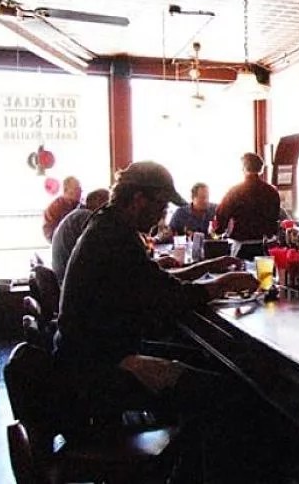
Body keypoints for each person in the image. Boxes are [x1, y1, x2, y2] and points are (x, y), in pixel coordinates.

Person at [54, 161, 258, 434]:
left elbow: (154, 282)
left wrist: (208, 266)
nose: (162, 214)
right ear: (139, 200)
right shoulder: (115, 237)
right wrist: (224, 283)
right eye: (161, 205)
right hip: (100, 370)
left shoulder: (107, 224)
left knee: (203, 360)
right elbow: (169, 298)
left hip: (90, 356)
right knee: (226, 391)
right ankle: (188, 455)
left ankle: (187, 445)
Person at [215, 153, 280, 260]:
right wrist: (270, 232)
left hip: (240, 246)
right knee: (261, 270)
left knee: (240, 270)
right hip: (262, 245)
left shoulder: (235, 191)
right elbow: (275, 217)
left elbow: (222, 213)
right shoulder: (271, 191)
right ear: (261, 169)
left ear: (244, 168)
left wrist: (219, 230)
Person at [50, 188, 110, 285]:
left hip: (64, 279)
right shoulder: (85, 217)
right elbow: (99, 250)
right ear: (100, 204)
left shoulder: (76, 214)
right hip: (71, 283)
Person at [42, 176, 82, 242]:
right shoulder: (53, 208)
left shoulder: (82, 206)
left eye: (80, 189)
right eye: (76, 189)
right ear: (65, 190)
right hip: (62, 244)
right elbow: (49, 234)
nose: (79, 192)